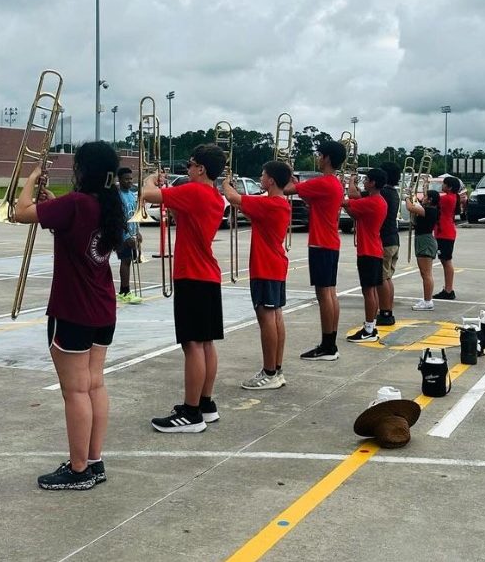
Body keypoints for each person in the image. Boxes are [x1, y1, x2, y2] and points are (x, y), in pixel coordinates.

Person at [14, 141, 126, 490]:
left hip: (73, 309)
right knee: (94, 384)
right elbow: (70, 226)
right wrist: (51, 203)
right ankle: (93, 460)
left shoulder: (77, 203)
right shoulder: (110, 204)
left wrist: (29, 179)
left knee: (75, 391)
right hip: (102, 308)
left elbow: (19, 212)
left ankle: (78, 470)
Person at [142, 143, 226, 433]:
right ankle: (205, 403)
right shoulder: (214, 195)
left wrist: (152, 178)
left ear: (200, 168)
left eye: (190, 164)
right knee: (205, 343)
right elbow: (183, 218)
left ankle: (191, 414)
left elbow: (147, 195)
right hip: (207, 276)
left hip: (193, 275)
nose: (187, 169)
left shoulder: (195, 191)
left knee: (192, 345)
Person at [222, 160, 292, 390]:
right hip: (274, 266)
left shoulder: (271, 203)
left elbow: (233, 198)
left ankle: (270, 372)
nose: (260, 178)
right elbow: (250, 209)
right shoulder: (278, 203)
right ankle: (276, 369)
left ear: (271, 180)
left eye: (263, 175)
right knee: (276, 317)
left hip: (266, 268)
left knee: (266, 319)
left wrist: (225, 183)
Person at [283, 140, 346, 361]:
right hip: (331, 242)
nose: (318, 158)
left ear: (327, 158)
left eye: (320, 155)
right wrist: (293, 179)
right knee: (330, 292)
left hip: (321, 243)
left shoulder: (324, 182)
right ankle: (330, 342)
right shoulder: (334, 183)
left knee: (323, 295)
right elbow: (306, 195)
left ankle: (327, 345)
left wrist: (282, 175)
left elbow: (287, 190)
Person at [342, 168, 388, 343]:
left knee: (368, 291)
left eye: (367, 179)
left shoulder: (372, 201)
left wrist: (342, 186)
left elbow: (344, 203)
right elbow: (354, 212)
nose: (364, 182)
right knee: (371, 291)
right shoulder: (377, 201)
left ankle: (369, 329)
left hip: (368, 252)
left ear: (373, 183)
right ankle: (371, 326)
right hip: (373, 250)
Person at [405, 188, 440, 310]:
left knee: (426, 274)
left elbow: (410, 207)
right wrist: (412, 195)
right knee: (424, 273)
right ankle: (426, 298)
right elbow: (417, 204)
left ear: (430, 200)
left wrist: (406, 197)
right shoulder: (430, 209)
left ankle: (428, 301)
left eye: (425, 197)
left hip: (425, 241)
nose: (423, 198)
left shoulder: (429, 210)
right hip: (423, 240)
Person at [376, 162, 401, 327]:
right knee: (387, 277)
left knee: (381, 278)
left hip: (384, 240)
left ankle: (385, 312)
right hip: (393, 239)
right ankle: (387, 310)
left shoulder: (383, 192)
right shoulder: (393, 192)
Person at [116, 167, 142, 304]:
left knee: (129, 261)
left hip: (132, 233)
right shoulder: (118, 196)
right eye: (126, 179)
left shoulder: (132, 195)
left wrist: (137, 233)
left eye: (131, 178)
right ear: (119, 180)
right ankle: (125, 291)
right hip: (123, 236)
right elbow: (118, 219)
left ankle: (123, 290)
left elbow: (134, 215)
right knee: (125, 261)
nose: (130, 181)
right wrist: (126, 237)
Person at [433, 176, 461, 300]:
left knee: (446, 261)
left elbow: (432, 202)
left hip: (445, 233)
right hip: (445, 232)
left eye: (444, 184)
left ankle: (449, 289)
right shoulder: (452, 197)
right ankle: (448, 288)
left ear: (449, 187)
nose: (442, 186)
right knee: (445, 260)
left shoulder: (447, 199)